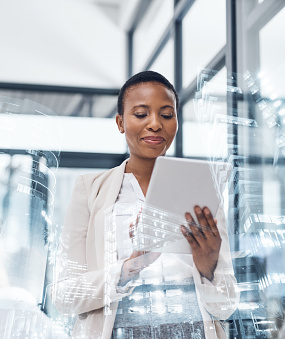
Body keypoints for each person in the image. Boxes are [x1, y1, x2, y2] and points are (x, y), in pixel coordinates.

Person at [53, 71, 239, 338]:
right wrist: (126, 270)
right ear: (120, 122)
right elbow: (64, 296)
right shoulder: (90, 190)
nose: (155, 124)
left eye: (166, 115)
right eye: (141, 114)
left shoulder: (202, 193)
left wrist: (209, 268)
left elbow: (226, 307)